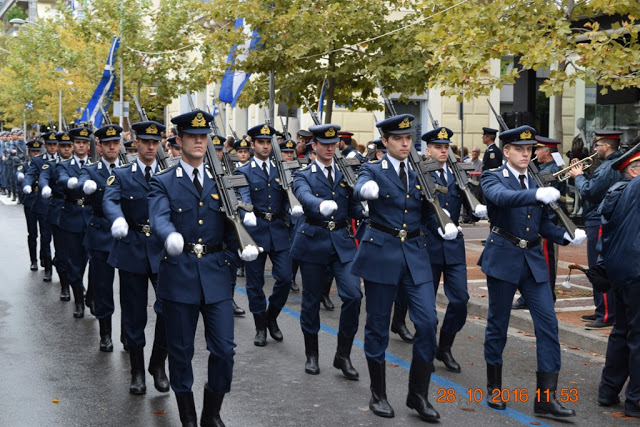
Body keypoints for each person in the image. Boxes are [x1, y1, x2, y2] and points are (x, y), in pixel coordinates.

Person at [148, 110, 259, 426]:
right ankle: (188, 419)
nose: (199, 141)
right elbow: (159, 216)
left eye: (203, 136)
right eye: (192, 136)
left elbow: (233, 224)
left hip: (215, 274)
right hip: (179, 274)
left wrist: (245, 239)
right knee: (181, 353)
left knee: (224, 350)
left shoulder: (222, 181)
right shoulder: (164, 181)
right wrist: (168, 234)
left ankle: (212, 413)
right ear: (180, 140)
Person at [352, 114, 459, 421]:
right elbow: (361, 185)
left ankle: (418, 396)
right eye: (398, 139)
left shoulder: (421, 170)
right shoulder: (372, 168)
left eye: (408, 138)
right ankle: (379, 394)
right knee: (377, 326)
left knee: (426, 323)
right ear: (385, 142)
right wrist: (366, 190)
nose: (404, 143)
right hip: (381, 252)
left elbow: (427, 210)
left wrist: (443, 225)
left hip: (415, 253)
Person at [479, 125, 586, 418]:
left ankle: (546, 399)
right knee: (498, 324)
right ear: (507, 152)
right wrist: (536, 193)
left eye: (529, 150)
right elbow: (501, 198)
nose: (526, 154)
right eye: (519, 149)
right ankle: (495, 388)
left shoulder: (536, 178)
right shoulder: (493, 176)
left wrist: (565, 235)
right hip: (503, 256)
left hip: (533, 260)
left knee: (548, 325)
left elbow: (540, 224)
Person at [291, 123, 364, 380]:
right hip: (313, 242)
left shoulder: (345, 172)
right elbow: (302, 195)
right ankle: (312, 354)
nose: (330, 148)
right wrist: (319, 204)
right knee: (311, 301)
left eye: (333, 144)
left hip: (342, 243)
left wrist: (366, 207)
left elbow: (354, 207)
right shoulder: (304, 175)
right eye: (325, 144)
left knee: (354, 296)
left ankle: (342, 355)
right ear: (315, 146)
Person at [103, 121, 170, 394]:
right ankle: (138, 372)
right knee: (133, 315)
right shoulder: (121, 174)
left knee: (169, 310)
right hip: (131, 248)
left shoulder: (170, 174)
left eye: (156, 142)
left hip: (163, 249)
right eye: (146, 142)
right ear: (137, 144)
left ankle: (157, 363)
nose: (151, 147)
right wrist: (117, 218)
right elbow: (110, 199)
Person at [423, 127, 487, 373]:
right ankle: (427, 352)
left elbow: (468, 206)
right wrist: (436, 224)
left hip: (453, 246)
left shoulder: (456, 174)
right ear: (428, 150)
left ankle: (444, 347)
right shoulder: (422, 174)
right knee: (426, 306)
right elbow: (417, 211)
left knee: (460, 300)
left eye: (445, 147)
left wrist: (476, 209)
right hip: (429, 244)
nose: (442, 150)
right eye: (437, 147)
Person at [236, 124, 296, 346]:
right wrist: (246, 211)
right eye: (260, 142)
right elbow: (242, 194)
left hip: (279, 230)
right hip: (255, 230)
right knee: (254, 283)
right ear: (252, 145)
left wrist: (293, 207)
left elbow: (289, 193)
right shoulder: (243, 171)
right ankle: (260, 326)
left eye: (268, 142)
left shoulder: (280, 168)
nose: (265, 146)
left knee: (285, 278)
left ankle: (271, 317)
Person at [597, 142, 640, 418]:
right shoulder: (635, 188)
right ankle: (636, 400)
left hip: (619, 270)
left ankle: (608, 390)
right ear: (634, 170)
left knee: (622, 331)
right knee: (637, 336)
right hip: (637, 269)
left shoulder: (615, 190)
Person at [568, 130, 623, 330]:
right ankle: (601, 308)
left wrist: (579, 175)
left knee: (599, 267)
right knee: (598, 266)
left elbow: (590, 191)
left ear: (606, 146)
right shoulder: (612, 164)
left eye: (597, 145)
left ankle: (607, 314)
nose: (594, 149)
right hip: (600, 219)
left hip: (598, 220)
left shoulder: (608, 166)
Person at [76, 125, 121, 352]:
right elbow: (83, 178)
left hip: (126, 235)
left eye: (115, 142)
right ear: (100, 147)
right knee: (103, 287)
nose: (112, 147)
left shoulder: (128, 168)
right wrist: (86, 186)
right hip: (101, 231)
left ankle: (128, 333)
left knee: (130, 289)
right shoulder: (92, 170)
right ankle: (105, 333)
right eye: (107, 143)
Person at [513, 136, 566, 310]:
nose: (534, 153)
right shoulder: (541, 168)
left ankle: (547, 296)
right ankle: (529, 296)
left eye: (537, 149)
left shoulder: (552, 170)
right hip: (532, 220)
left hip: (545, 221)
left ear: (547, 151)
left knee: (544, 262)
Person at [47, 128, 92, 319]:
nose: (81, 145)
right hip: (71, 216)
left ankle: (89, 294)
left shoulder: (96, 166)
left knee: (93, 262)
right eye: (78, 142)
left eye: (84, 142)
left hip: (92, 219)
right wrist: (71, 182)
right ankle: (79, 301)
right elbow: (61, 178)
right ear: (73, 145)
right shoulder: (64, 165)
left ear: (89, 146)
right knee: (74, 262)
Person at [39, 131, 74, 301]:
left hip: (77, 213)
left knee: (80, 254)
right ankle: (65, 286)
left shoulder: (81, 165)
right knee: (61, 253)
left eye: (69, 146)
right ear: (58, 147)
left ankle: (79, 285)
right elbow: (44, 177)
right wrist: (45, 187)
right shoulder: (51, 165)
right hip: (58, 211)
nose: (66, 149)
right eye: (63, 146)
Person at [22, 132, 58, 282]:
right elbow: (29, 175)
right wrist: (26, 185)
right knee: (37, 234)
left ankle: (50, 261)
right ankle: (41, 264)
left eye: (54, 144)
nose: (52, 147)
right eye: (49, 144)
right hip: (39, 202)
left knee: (49, 237)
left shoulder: (63, 160)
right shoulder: (37, 161)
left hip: (57, 204)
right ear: (45, 145)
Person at [16, 139, 45, 271]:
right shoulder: (25, 165)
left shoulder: (45, 165)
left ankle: (44, 257)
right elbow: (19, 172)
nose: (35, 153)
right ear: (29, 152)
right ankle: (33, 260)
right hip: (31, 203)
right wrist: (21, 177)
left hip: (44, 202)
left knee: (45, 233)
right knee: (32, 233)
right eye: (33, 151)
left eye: (37, 151)